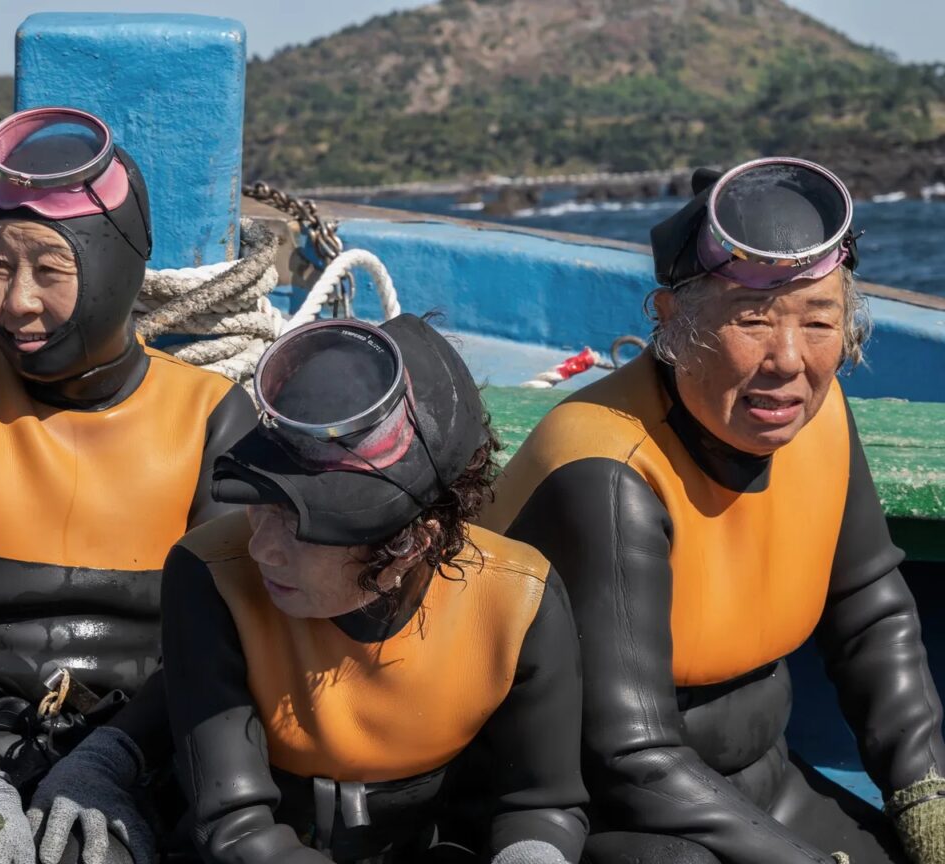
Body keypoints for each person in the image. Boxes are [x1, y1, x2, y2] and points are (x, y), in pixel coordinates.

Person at [482, 157, 945, 864]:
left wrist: (924, 796)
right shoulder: (608, 470)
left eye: (819, 321)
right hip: (597, 811)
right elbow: (631, 758)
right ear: (674, 321)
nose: (788, 360)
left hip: (763, 785)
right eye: (751, 320)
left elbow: (869, 612)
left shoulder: (812, 417)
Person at [0, 106, 257, 864]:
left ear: (118, 264)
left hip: (146, 743)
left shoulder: (211, 416)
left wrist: (110, 762)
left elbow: (218, 643)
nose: (17, 302)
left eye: (50, 271)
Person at [161, 314, 591, 864]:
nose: (261, 548)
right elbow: (235, 826)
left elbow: (541, 803)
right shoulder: (209, 575)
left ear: (413, 544)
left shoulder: (517, 599)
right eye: (260, 501)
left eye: (301, 527)